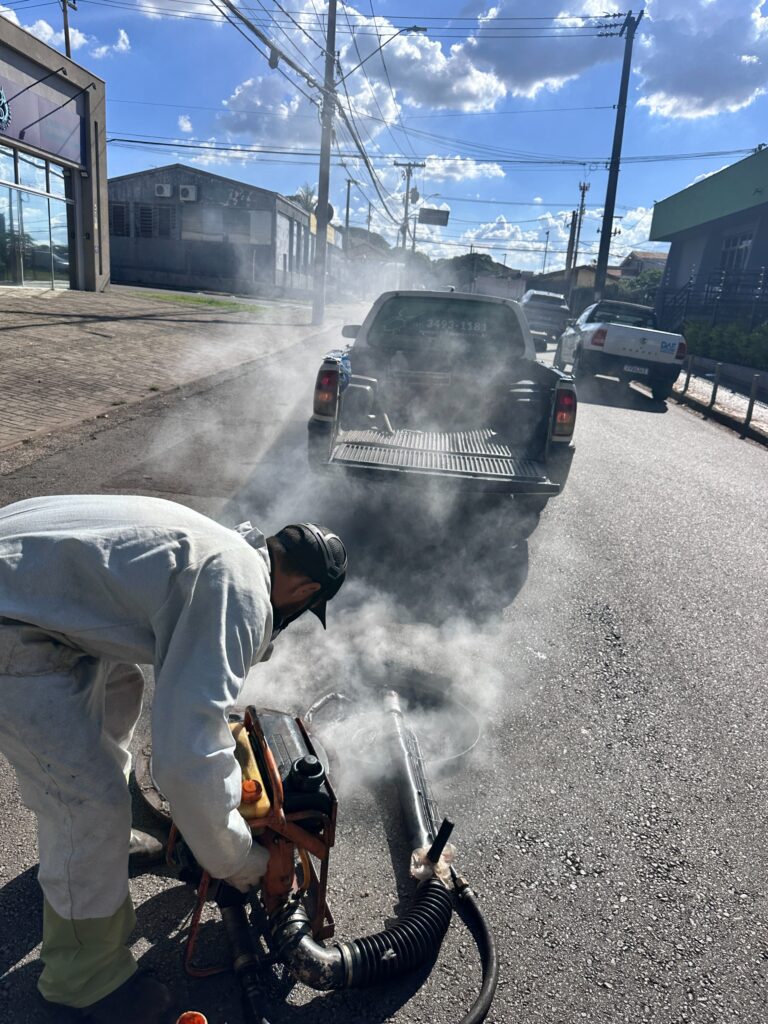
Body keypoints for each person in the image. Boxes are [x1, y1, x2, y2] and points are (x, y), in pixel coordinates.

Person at [0, 494, 347, 1023]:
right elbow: (187, 758)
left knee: (120, 686)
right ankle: (84, 979)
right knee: (83, 802)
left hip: (26, 587)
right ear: (304, 591)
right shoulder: (242, 590)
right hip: (11, 621)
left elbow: (187, 709)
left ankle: (98, 852)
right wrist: (235, 857)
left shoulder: (223, 548)